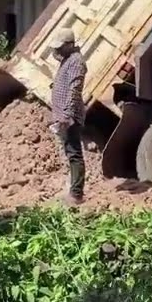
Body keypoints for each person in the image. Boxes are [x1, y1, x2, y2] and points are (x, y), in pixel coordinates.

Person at [48, 27, 87, 205]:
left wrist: (67, 116)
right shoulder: (67, 59)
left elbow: (74, 89)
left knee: (74, 154)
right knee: (70, 153)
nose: (56, 51)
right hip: (63, 116)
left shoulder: (76, 62)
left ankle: (76, 194)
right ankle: (73, 190)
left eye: (60, 47)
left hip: (69, 117)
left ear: (70, 45)